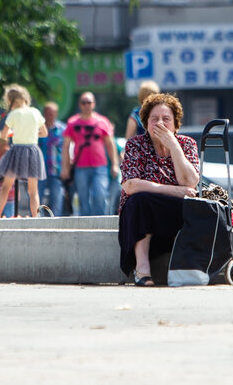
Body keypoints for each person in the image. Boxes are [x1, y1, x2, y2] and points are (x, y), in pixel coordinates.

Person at [118, 93, 199, 286]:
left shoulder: (187, 144)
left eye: (166, 119)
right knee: (140, 200)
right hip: (140, 217)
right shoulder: (136, 145)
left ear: (175, 123)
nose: (160, 123)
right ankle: (142, 267)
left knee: (193, 207)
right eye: (154, 119)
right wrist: (175, 191)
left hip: (174, 218)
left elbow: (189, 182)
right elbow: (131, 185)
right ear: (146, 123)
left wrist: (174, 146)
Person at [0, 84, 47, 218]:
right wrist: (31, 133)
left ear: (10, 100)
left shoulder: (14, 114)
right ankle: (36, 218)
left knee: (6, 186)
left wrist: (14, 133)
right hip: (33, 151)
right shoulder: (35, 112)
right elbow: (44, 133)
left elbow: (4, 135)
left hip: (17, 152)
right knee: (33, 191)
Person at [61, 92, 119, 216]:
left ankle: (99, 224)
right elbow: (65, 147)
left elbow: (110, 144)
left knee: (100, 194)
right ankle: (86, 227)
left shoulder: (102, 121)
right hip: (80, 167)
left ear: (94, 104)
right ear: (80, 104)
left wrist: (114, 164)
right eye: (83, 102)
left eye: (89, 102)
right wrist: (65, 167)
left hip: (100, 167)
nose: (86, 105)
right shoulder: (73, 122)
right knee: (83, 199)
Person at [37, 101, 65, 217]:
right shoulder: (37, 130)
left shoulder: (63, 130)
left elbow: (67, 149)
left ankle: (55, 224)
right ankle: (38, 223)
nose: (50, 115)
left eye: (53, 113)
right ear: (44, 114)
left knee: (56, 199)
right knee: (37, 199)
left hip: (56, 170)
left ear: (56, 114)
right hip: (40, 170)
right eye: (48, 113)